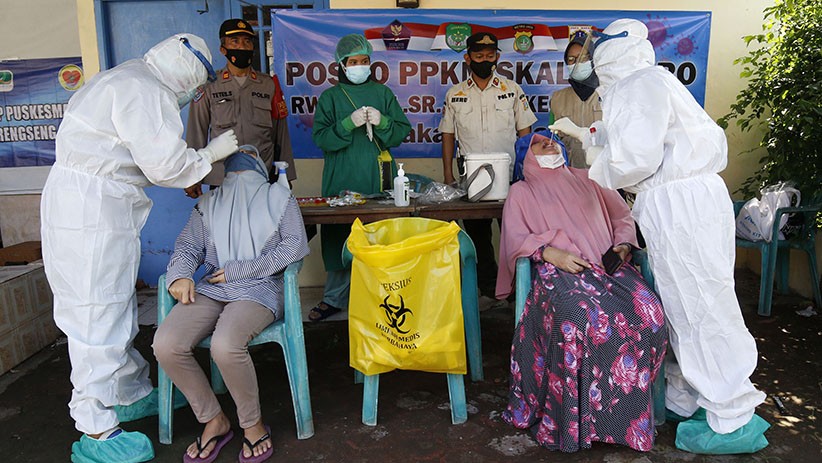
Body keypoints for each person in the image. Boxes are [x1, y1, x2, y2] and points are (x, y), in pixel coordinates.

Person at [550, 19, 769, 454]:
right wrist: (592, 135)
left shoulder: (637, 83)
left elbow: (634, 159)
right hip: (683, 200)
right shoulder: (646, 81)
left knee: (700, 304)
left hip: (680, 203)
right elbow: (638, 136)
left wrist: (596, 157)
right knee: (683, 302)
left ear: (608, 55)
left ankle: (732, 416)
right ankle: (695, 398)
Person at [40, 34, 238, 463]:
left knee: (114, 305)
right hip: (91, 213)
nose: (196, 93)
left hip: (92, 204)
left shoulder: (125, 76)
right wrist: (209, 154)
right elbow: (167, 166)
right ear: (187, 73)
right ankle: (96, 429)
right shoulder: (145, 91)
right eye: (200, 82)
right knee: (95, 314)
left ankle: (128, 392)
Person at [497, 132, 668, 452]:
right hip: (560, 272)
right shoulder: (521, 191)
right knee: (577, 318)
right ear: (526, 156)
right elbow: (516, 236)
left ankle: (628, 420)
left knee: (650, 315)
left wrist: (621, 245)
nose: (549, 144)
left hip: (607, 267)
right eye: (538, 143)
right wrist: (551, 254)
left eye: (551, 141)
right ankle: (580, 423)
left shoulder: (591, 177)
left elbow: (622, 216)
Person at [153, 146, 309, 463]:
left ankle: (252, 424)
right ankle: (214, 419)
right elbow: (187, 246)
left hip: (260, 288)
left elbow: (294, 245)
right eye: (233, 172)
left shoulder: (280, 198)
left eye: (245, 169)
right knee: (166, 343)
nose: (239, 178)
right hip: (213, 287)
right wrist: (179, 276)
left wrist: (244, 269)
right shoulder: (208, 204)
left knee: (225, 345)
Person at [310, 33, 411, 321]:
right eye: (353, 61)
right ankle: (334, 298)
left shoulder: (382, 94)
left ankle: (384, 297)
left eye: (364, 61)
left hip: (377, 176)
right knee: (339, 235)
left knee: (379, 236)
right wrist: (346, 124)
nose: (359, 66)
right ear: (341, 64)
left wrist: (384, 121)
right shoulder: (330, 98)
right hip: (341, 177)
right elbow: (322, 139)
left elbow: (401, 131)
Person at [439, 32, 537, 298]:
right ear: (467, 58)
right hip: (473, 180)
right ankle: (488, 289)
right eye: (479, 56)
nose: (485, 60)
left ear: (498, 57)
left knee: (513, 233)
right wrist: (448, 174)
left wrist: (528, 173)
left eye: (490, 56)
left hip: (511, 179)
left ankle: (518, 288)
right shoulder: (455, 94)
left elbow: (525, 133)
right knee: (479, 236)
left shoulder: (512, 90)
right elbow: (448, 135)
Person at [185, 18, 296, 199]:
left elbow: (281, 135)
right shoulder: (209, 85)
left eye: (247, 41)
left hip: (262, 176)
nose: (242, 46)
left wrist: (287, 176)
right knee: (223, 227)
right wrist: (191, 176)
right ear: (223, 49)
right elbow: (196, 132)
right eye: (235, 41)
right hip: (221, 178)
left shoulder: (268, 85)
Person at [549, 30, 602, 168]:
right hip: (569, 179)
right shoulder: (557, 98)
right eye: (571, 60)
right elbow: (552, 138)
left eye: (582, 58)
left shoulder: (609, 94)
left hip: (605, 179)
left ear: (593, 59)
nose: (577, 63)